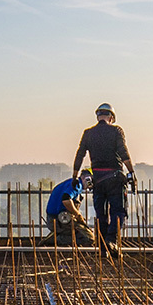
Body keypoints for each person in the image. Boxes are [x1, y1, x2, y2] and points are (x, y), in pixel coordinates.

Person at [72, 103, 136, 251]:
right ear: (111, 117)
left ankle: (102, 247)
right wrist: (131, 172)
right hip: (114, 177)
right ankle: (111, 240)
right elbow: (123, 153)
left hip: (98, 179)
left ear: (98, 116)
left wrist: (75, 176)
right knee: (118, 211)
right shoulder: (116, 131)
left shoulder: (88, 133)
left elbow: (79, 155)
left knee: (101, 214)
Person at [41, 170, 94, 247]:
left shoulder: (70, 183)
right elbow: (66, 200)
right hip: (58, 221)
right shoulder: (76, 185)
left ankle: (57, 236)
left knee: (85, 232)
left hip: (57, 219)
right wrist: (77, 214)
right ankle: (55, 239)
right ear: (86, 178)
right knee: (89, 238)